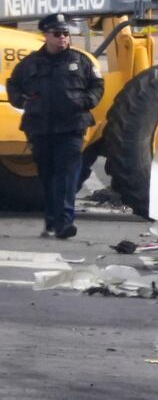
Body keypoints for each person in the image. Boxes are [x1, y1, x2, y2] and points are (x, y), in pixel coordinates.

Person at [7, 14, 102, 239]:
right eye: (57, 34)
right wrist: (22, 100)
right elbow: (13, 84)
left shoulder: (81, 61)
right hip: (40, 128)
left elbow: (97, 84)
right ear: (46, 36)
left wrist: (88, 101)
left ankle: (64, 223)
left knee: (67, 175)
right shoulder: (30, 63)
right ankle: (51, 219)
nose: (63, 38)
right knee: (47, 176)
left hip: (72, 127)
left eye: (66, 34)